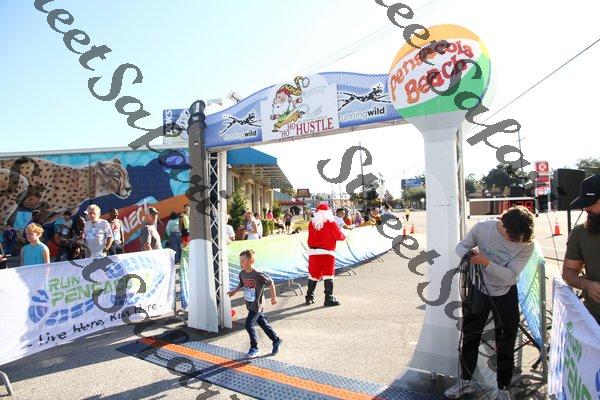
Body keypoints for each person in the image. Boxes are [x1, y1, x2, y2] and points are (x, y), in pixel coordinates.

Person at [445, 206, 535, 400]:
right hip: (478, 289)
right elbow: (460, 246)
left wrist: (486, 262)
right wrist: (468, 255)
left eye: (520, 238)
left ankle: (503, 389)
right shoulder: (482, 228)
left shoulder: (527, 243)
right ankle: (465, 382)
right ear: (503, 224)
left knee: (506, 342)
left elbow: (510, 276)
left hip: (505, 293)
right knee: (470, 336)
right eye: (512, 236)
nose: (516, 241)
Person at [227, 249, 282, 357]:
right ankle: (276, 340)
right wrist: (234, 291)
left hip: (258, 305)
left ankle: (254, 348)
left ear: (251, 261)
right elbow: (241, 284)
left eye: (243, 261)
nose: (241, 263)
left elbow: (270, 282)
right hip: (250, 304)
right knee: (263, 324)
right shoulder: (242, 273)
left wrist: (273, 297)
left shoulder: (258, 274)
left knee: (248, 324)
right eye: (240, 261)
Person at [562, 173, 600, 324]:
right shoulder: (580, 232)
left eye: (591, 202)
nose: (586, 208)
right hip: (595, 320)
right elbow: (568, 271)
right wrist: (587, 285)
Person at [306, 202, 346, 306]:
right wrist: (343, 234)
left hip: (313, 253)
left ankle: (309, 297)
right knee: (328, 275)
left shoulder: (312, 223)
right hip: (327, 253)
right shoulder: (330, 223)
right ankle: (328, 298)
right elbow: (340, 236)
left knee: (313, 275)